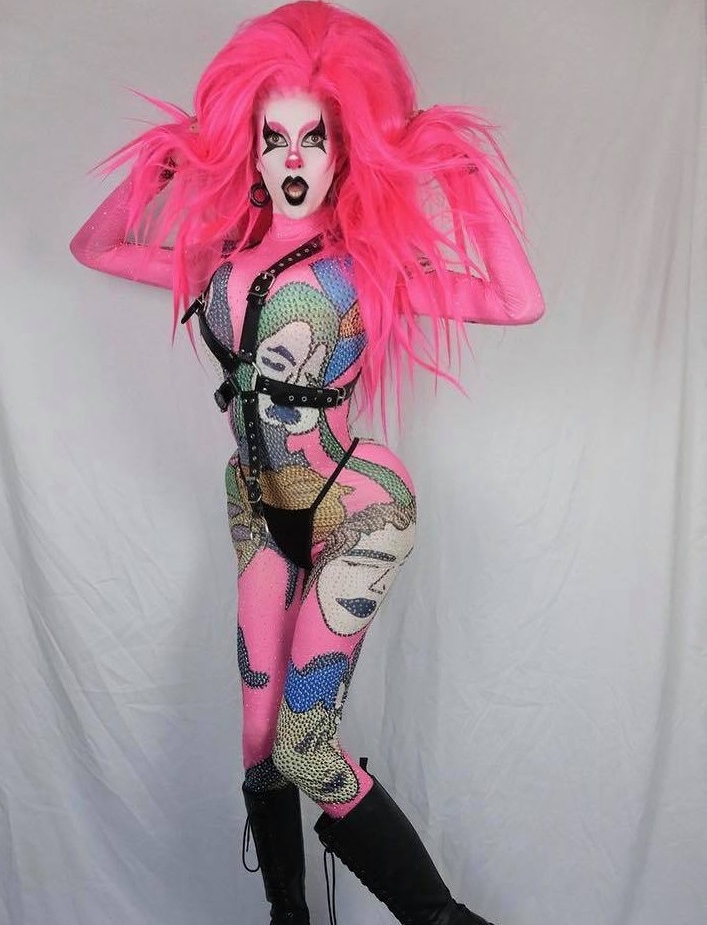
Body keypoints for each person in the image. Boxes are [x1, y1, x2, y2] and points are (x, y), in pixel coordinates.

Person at [70, 3, 545, 923]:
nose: (292, 159)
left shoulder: (369, 265)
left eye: (313, 139)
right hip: (255, 508)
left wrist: (462, 176)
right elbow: (93, 247)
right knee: (256, 739)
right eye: (273, 138)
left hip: (355, 512)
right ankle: (289, 915)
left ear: (343, 151)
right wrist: (164, 161)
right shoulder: (218, 261)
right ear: (248, 152)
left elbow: (516, 302)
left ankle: (449, 922)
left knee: (302, 745)